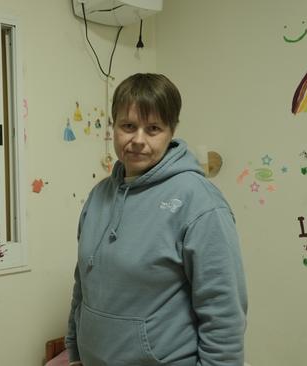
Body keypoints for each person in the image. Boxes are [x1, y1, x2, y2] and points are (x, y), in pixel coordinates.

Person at [65, 74, 247, 366]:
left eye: (153, 129)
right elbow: (82, 284)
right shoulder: (99, 196)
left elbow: (222, 309)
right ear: (113, 127)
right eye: (128, 126)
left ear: (171, 131)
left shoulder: (199, 200)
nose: (138, 140)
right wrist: (74, 349)